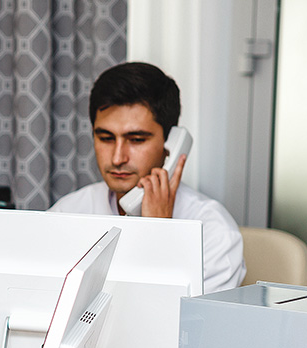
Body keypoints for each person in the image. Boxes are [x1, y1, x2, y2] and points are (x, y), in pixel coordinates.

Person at [49, 62, 246, 293]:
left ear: (171, 145)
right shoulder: (67, 213)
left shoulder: (214, 233)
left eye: (136, 140)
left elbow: (180, 316)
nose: (118, 157)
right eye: (106, 138)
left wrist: (158, 234)